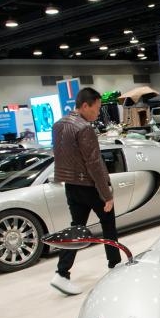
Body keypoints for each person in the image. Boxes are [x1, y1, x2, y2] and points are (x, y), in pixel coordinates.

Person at [50, 87, 118, 296]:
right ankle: (115, 269)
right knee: (108, 224)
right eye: (96, 109)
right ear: (85, 105)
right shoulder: (84, 128)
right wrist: (106, 194)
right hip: (89, 186)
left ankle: (61, 274)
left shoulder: (59, 125)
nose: (97, 114)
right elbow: (94, 164)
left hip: (71, 186)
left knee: (76, 228)